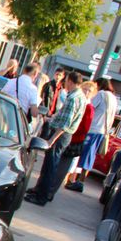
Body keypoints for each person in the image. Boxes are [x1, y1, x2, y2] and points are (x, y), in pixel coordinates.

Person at [25, 71, 87, 206]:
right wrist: (50, 119)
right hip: (62, 134)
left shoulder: (73, 98)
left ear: (70, 81)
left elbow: (65, 123)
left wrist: (51, 139)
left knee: (51, 166)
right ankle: (39, 189)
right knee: (49, 164)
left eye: (66, 80)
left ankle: (42, 196)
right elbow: (62, 116)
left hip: (60, 135)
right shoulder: (79, 96)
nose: (64, 83)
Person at [67, 78, 118, 191]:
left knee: (84, 155)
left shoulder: (101, 94)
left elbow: (89, 106)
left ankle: (78, 181)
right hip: (102, 131)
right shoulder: (113, 98)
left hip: (93, 128)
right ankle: (80, 180)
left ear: (98, 85)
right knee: (90, 155)